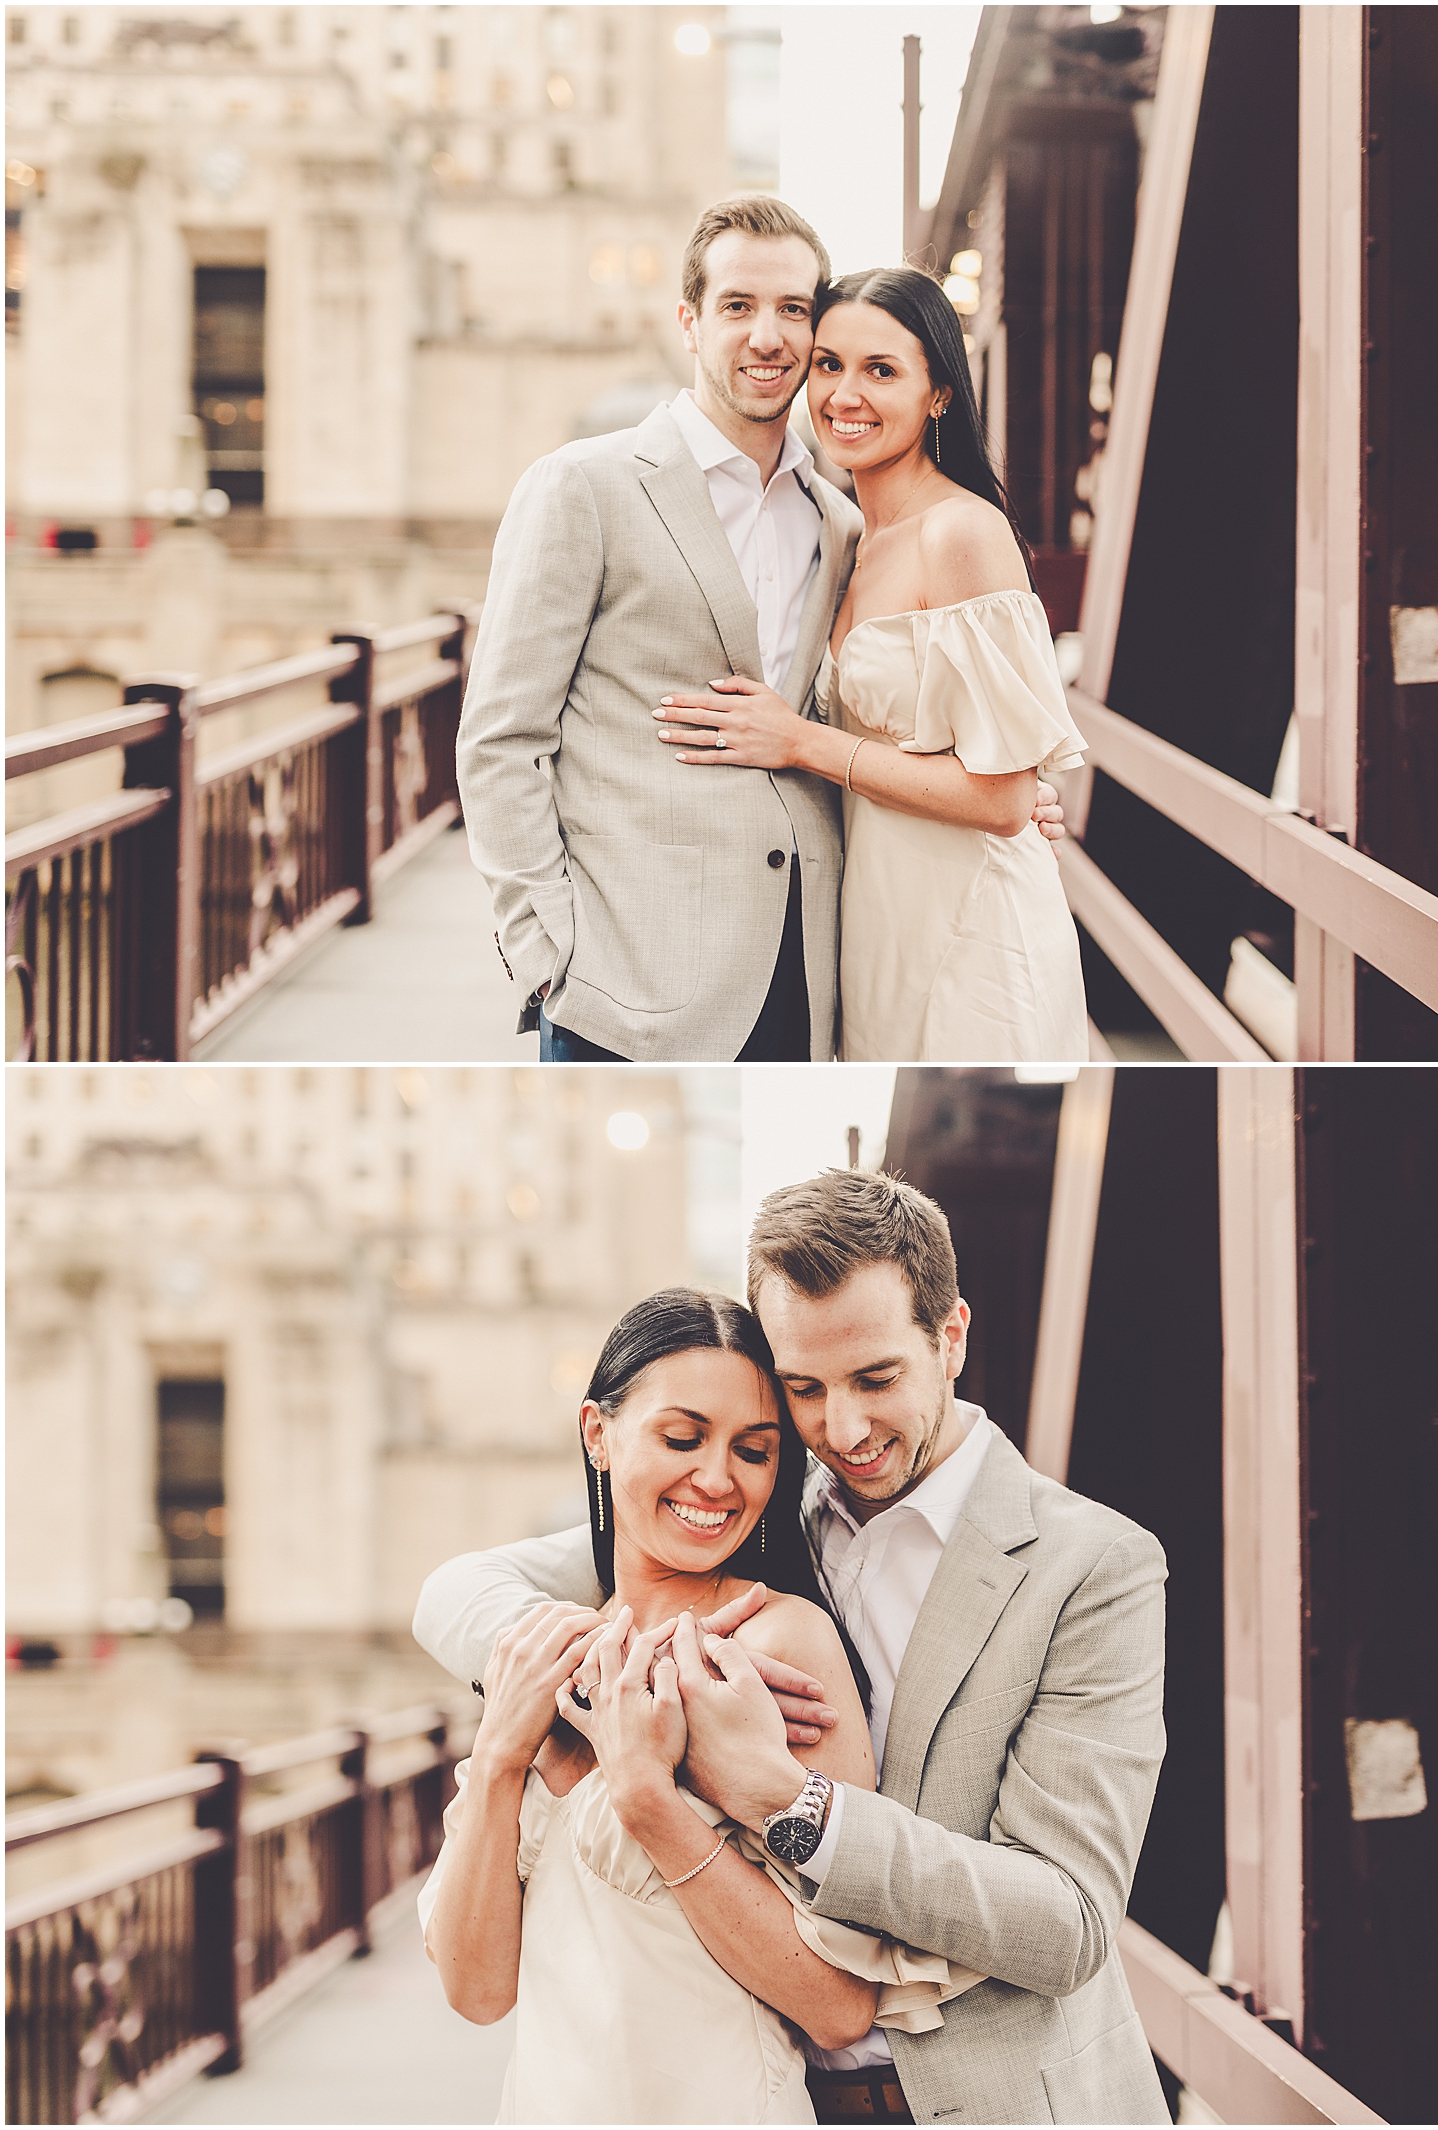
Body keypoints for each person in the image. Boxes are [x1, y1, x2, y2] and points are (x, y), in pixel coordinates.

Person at [415, 1172, 1169, 2126]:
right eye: (805, 1389)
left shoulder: (1092, 1565)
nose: (843, 1430)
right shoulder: (757, 1516)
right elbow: (458, 1590)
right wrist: (583, 1684)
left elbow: (1069, 1925)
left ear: (952, 1340)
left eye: (877, 1379)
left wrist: (784, 1797)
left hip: (996, 2101)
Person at [456, 199, 1067, 1064]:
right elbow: (500, 737)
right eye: (738, 306)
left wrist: (1002, 790)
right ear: (690, 323)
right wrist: (546, 953)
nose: (769, 337)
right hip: (624, 985)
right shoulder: (582, 488)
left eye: (793, 311)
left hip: (815, 970)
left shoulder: (840, 523)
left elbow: (862, 720)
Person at [417, 1287, 977, 2125]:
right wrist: (500, 1756)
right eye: (681, 1437)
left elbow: (840, 2006)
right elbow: (476, 1990)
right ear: (597, 1435)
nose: (716, 1479)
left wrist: (652, 1802)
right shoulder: (549, 1657)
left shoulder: (781, 1647)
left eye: (753, 1451)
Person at [654, 267, 1091, 1063]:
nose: (843, 395)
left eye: (881, 370)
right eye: (828, 365)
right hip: (874, 923)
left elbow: (1001, 801)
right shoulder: (846, 538)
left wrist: (799, 742)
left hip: (973, 926)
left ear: (940, 396)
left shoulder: (960, 533)